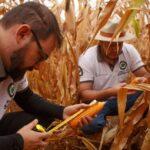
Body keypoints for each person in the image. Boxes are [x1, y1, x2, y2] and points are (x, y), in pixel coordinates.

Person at [0, 2, 92, 150]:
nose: (37, 67)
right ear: (22, 34)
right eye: (40, 56)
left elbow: (26, 98)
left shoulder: (13, 64)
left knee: (42, 123)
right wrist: (18, 142)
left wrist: (62, 111)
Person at [78, 17, 150, 134]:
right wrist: (111, 92)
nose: (115, 49)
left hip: (123, 100)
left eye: (119, 44)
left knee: (146, 95)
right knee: (91, 125)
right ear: (100, 42)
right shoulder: (87, 58)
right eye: (111, 45)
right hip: (97, 104)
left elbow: (145, 76)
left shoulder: (129, 50)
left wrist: (143, 80)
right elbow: (84, 94)